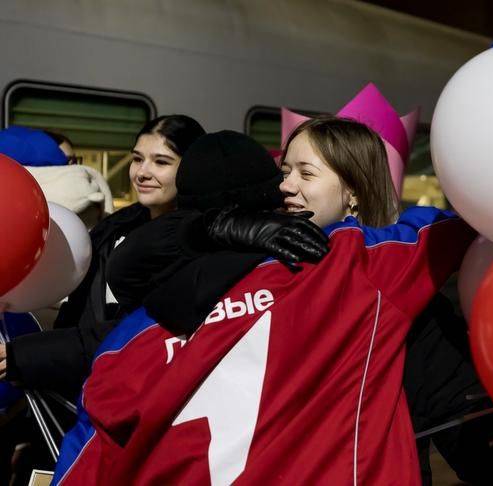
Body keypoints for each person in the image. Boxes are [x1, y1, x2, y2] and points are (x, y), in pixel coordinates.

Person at [53, 116, 475, 485]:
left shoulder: (367, 270)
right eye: (284, 170)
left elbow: (461, 428)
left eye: (305, 174)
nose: (285, 186)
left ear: (353, 191)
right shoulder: (351, 266)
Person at [0, 116, 327, 399]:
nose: (142, 172)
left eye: (161, 161)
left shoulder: (249, 256)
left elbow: (134, 334)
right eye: (137, 158)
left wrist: (27, 356)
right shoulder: (111, 231)